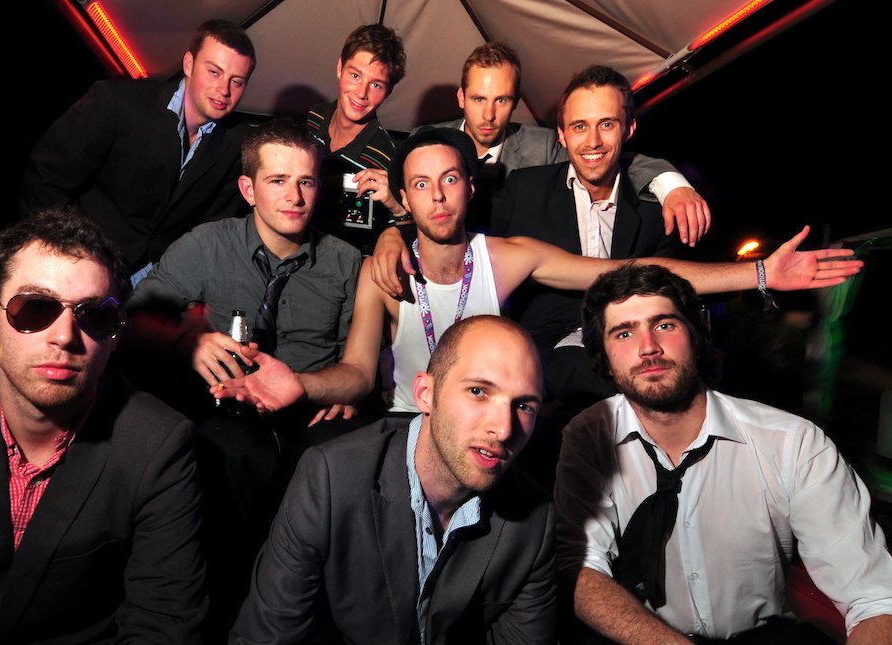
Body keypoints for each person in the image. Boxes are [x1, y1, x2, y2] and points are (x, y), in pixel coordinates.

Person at [214, 127, 861, 427]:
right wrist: (300, 384)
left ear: (470, 187)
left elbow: (633, 273)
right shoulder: (382, 270)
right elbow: (358, 372)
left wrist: (759, 273)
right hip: (408, 429)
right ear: (403, 200)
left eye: (450, 179)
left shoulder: (509, 256)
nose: (438, 196)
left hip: (491, 435)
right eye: (421, 185)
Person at [0, 208, 207, 643]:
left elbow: (162, 624)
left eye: (94, 315)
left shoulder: (158, 446)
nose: (64, 335)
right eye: (35, 308)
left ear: (115, 335)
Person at [554, 263, 892, 644]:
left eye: (664, 324)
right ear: (603, 356)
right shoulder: (588, 438)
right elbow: (580, 566)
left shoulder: (793, 443)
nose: (648, 347)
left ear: (696, 335)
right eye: (624, 333)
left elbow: (874, 598)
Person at [119, 116, 363, 642]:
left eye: (306, 181)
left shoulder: (345, 262)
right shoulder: (209, 244)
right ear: (248, 189)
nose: (294, 196)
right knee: (220, 459)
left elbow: (358, 365)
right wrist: (185, 343)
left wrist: (338, 390)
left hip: (309, 418)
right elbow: (133, 320)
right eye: (278, 181)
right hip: (228, 414)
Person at [229, 315, 558, 644]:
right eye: (478, 391)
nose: (503, 429)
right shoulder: (331, 478)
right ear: (425, 393)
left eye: (524, 406)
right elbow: (265, 637)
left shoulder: (535, 519)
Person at [493, 64, 684, 413]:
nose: (593, 141)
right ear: (562, 134)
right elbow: (469, 252)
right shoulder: (523, 191)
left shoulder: (655, 209)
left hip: (632, 346)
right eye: (580, 126)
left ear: (629, 129)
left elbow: (666, 295)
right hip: (545, 361)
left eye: (606, 124)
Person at [20, 19, 256, 285]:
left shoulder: (238, 141)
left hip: (156, 281)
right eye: (214, 72)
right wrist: (56, 250)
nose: (224, 90)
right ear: (189, 64)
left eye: (237, 82)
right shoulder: (118, 101)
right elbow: (46, 177)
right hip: (80, 261)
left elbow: (214, 231)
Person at [411, 42, 709, 243]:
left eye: (501, 100)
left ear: (515, 101)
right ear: (461, 97)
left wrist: (671, 185)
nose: (489, 114)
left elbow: (603, 158)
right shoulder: (425, 141)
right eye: (479, 99)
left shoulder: (542, 145)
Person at [305, 23, 410, 253]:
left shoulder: (387, 160)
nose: (362, 93)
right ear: (339, 68)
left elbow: (400, 239)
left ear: (388, 91)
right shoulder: (314, 117)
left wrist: (399, 211)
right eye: (355, 76)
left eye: (376, 85)